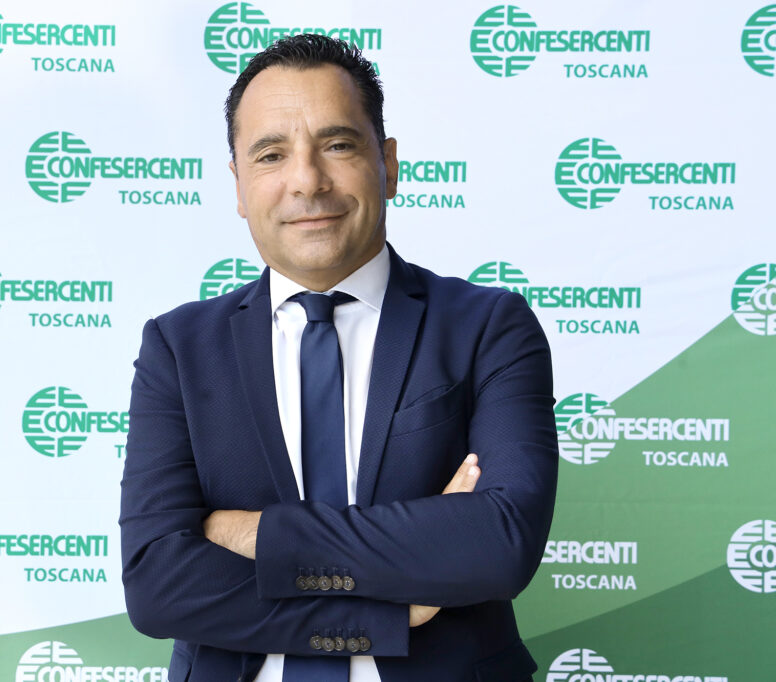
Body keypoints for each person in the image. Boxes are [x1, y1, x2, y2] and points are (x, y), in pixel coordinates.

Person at [120, 34, 557, 681]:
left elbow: (500, 543)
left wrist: (258, 536)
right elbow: (158, 586)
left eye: (338, 145)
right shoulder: (179, 347)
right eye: (271, 155)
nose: (307, 181)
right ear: (239, 186)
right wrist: (386, 615)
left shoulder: (488, 326)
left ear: (388, 164)